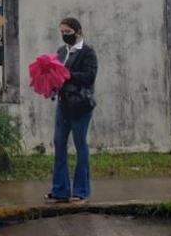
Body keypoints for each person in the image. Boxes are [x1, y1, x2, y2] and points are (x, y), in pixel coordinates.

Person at [46, 17, 98, 204]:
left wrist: (67, 75)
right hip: (64, 102)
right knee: (59, 144)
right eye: (62, 32)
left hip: (80, 104)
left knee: (80, 145)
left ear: (78, 31)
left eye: (67, 32)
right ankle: (60, 190)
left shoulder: (87, 52)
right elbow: (57, 75)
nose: (64, 35)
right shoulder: (61, 51)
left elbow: (89, 76)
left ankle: (81, 191)